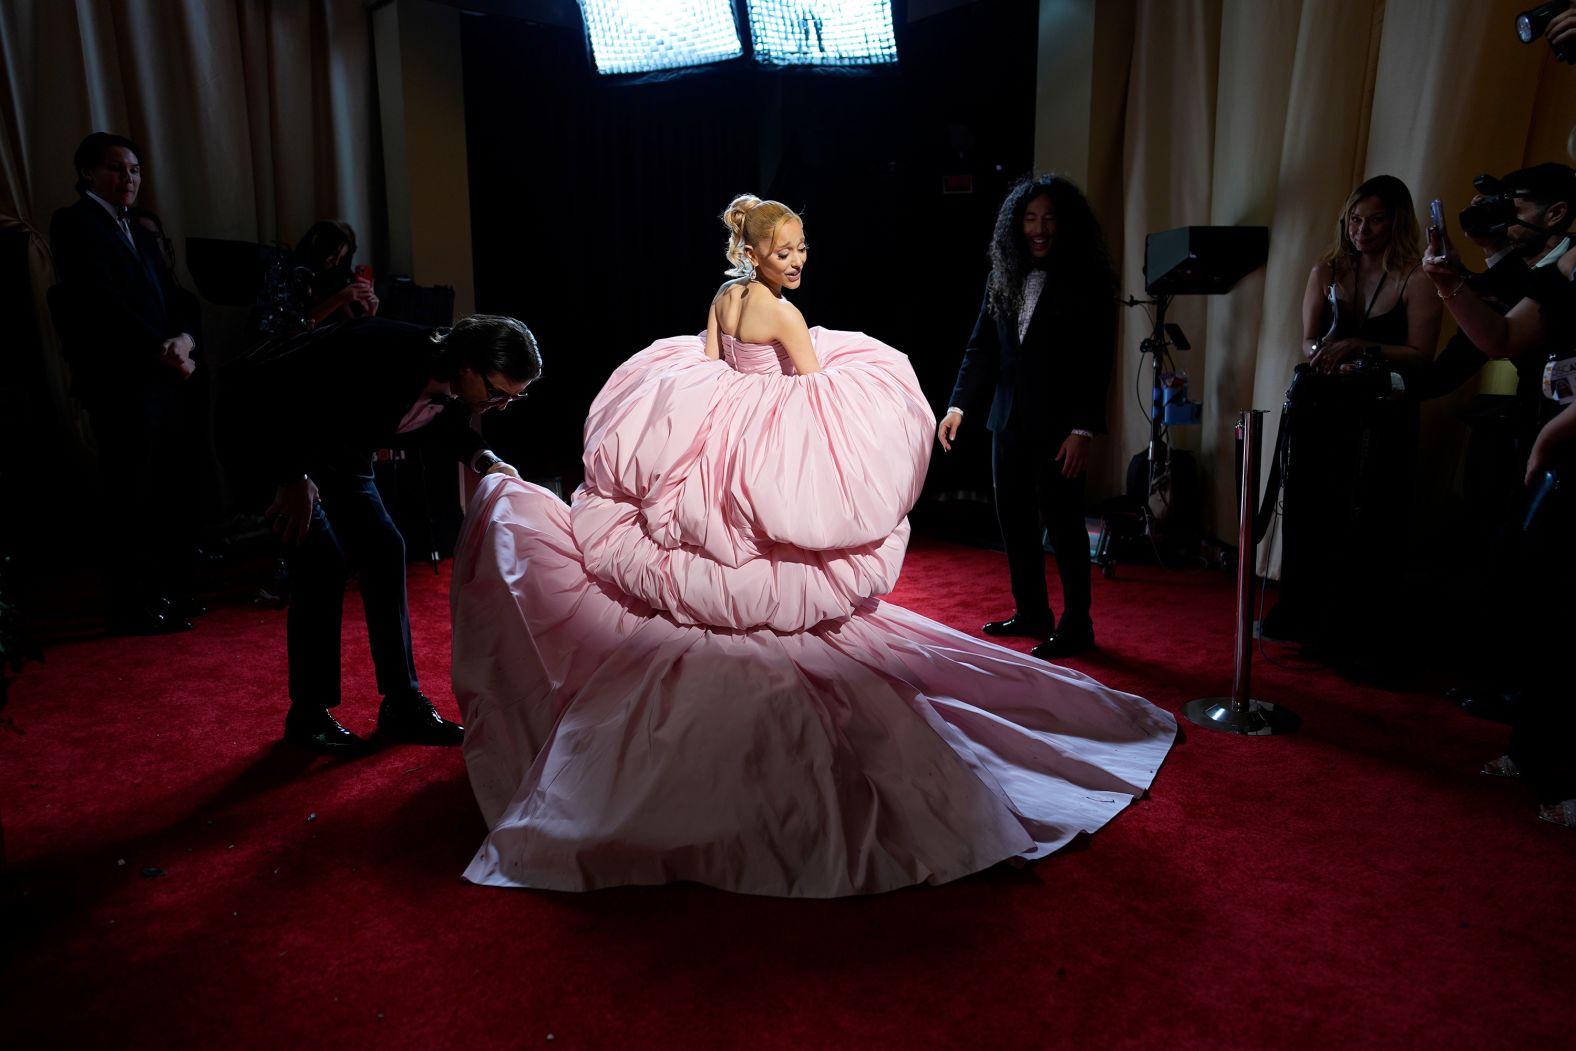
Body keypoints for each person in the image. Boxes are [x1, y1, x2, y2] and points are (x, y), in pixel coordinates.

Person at [449, 195, 1176, 898]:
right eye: (787, 250)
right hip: (764, 422)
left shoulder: (725, 297)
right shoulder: (783, 312)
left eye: (802, 248)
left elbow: (706, 365)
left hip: (719, 424)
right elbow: (814, 387)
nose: (800, 260)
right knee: (767, 520)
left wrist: (719, 426)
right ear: (759, 252)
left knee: (709, 528)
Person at [214, 314, 540, 755]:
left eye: (513, 399)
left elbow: (442, 425)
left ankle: (402, 704)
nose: (501, 405)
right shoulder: (383, 350)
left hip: (339, 448)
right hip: (267, 437)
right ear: (466, 364)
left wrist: (486, 461)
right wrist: (293, 476)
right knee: (322, 563)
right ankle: (307, 716)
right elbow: (287, 396)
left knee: (385, 549)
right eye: (499, 393)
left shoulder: (454, 379)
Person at [1424, 219, 1576, 829]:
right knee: (1541, 605)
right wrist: (1450, 285)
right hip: (1553, 445)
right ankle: (1534, 752)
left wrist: (1550, 436)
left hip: (1561, 443)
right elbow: (1502, 337)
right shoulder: (1564, 266)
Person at [1258, 175, 1441, 666]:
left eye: (1375, 219)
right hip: (1325, 411)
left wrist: (1363, 347)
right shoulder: (1328, 270)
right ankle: (1305, 615)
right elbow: (1307, 342)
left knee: (1367, 518)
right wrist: (1326, 353)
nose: (1362, 229)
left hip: (1381, 415)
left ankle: (1353, 628)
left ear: (1397, 220)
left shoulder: (1415, 276)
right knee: (1311, 510)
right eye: (1355, 219)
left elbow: (1422, 354)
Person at [937, 175, 1117, 660]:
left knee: (1062, 527)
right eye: (1030, 218)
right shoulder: (1004, 273)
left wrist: (1084, 429)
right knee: (1014, 523)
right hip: (1006, 423)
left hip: (1062, 429)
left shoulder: (1090, 278)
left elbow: (1097, 358)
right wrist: (958, 406)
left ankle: (1078, 625)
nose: (1039, 228)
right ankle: (1032, 612)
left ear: (1066, 224)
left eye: (1050, 218)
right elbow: (981, 348)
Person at [49, 133, 205, 635]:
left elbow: (171, 299)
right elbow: (101, 304)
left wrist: (183, 339)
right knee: (128, 496)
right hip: (120, 381)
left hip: (162, 378)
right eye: (117, 169)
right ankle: (129, 606)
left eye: (135, 170)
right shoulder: (73, 223)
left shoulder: (137, 230)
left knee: (161, 493)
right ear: (88, 173)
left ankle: (162, 594)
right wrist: (162, 351)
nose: (129, 178)